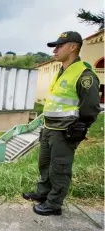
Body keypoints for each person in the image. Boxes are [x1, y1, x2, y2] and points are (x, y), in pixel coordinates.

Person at [22, 31, 101, 216]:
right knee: (45, 165)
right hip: (49, 128)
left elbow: (90, 108)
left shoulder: (84, 74)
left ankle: (54, 204)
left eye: (59, 46)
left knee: (59, 168)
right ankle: (42, 194)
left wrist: (80, 128)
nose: (55, 50)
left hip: (65, 132)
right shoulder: (62, 71)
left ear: (73, 47)